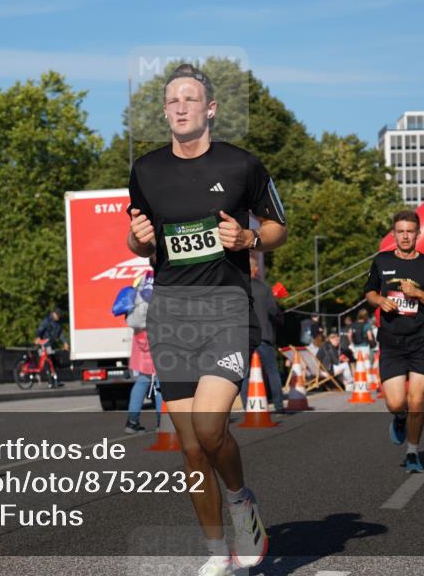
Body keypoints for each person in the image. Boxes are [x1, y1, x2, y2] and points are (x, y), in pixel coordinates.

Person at [126, 63, 287, 575]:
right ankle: (218, 551)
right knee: (192, 447)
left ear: (210, 108)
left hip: (225, 307)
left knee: (211, 425)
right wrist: (139, 240)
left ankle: (241, 501)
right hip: (171, 310)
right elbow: (136, 238)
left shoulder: (242, 166)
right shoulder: (146, 170)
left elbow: (278, 226)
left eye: (189, 99)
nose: (178, 107)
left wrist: (251, 239)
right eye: (171, 100)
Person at [364, 210, 424, 474]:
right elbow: (369, 292)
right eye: (400, 231)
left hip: (421, 341)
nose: (404, 236)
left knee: (416, 401)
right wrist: (379, 301)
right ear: (394, 234)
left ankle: (413, 452)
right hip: (391, 342)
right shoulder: (382, 261)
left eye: (409, 232)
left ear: (418, 234)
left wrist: (420, 293)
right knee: (396, 403)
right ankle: (399, 419)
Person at [240, 254, 285, 414]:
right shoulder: (264, 288)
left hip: (244, 337)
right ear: (254, 269)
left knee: (244, 374)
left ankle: (247, 406)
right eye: (257, 267)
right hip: (264, 336)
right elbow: (273, 310)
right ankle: (279, 405)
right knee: (272, 371)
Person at [125, 265, 163, 434]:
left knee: (142, 381)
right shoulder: (163, 280)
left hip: (140, 337)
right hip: (159, 337)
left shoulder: (141, 280)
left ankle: (132, 422)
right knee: (161, 383)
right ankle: (162, 421)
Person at [35, 307, 66, 388]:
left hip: (51, 344)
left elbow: (60, 334)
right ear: (53, 313)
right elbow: (40, 329)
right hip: (44, 344)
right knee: (48, 361)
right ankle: (50, 382)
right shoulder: (47, 320)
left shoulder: (58, 323)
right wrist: (38, 337)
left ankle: (55, 380)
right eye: (57, 315)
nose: (58, 317)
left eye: (59, 316)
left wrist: (65, 342)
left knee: (54, 361)